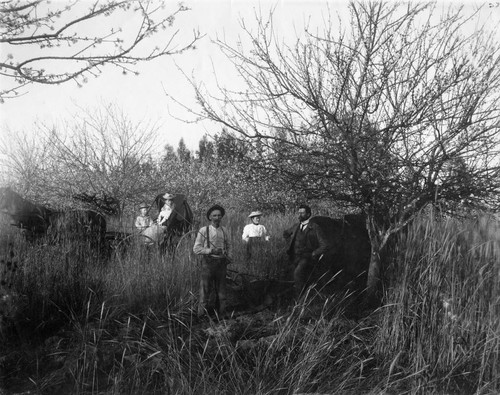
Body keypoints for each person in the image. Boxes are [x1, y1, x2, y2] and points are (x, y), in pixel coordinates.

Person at [283, 204, 330, 298]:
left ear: (308, 214)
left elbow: (325, 245)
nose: (299, 215)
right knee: (286, 274)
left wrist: (314, 253)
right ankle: (289, 298)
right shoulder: (296, 226)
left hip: (307, 258)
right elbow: (285, 233)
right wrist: (289, 243)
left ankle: (299, 301)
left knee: (297, 274)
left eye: (302, 213)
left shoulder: (315, 227)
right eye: (299, 212)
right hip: (294, 256)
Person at [193, 204, 231, 318]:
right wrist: (211, 250)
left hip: (221, 264)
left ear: (221, 217)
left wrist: (229, 257)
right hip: (208, 264)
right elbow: (196, 249)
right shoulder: (204, 230)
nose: (217, 217)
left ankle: (222, 315)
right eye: (214, 215)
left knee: (222, 292)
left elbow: (229, 246)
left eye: (219, 215)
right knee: (205, 291)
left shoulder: (224, 230)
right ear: (210, 217)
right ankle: (201, 316)